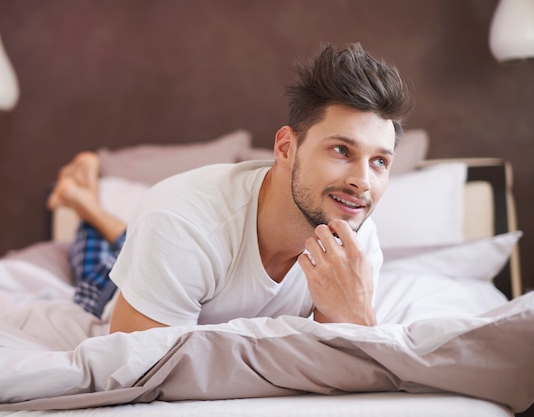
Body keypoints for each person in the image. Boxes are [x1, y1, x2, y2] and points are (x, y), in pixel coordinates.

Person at [48, 42, 413, 333]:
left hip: (179, 248)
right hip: (114, 288)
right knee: (110, 253)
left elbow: (343, 367)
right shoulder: (179, 221)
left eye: (380, 161)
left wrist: (360, 317)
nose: (362, 181)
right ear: (286, 148)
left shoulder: (358, 239)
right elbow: (134, 374)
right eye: (341, 150)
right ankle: (84, 203)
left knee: (142, 239)